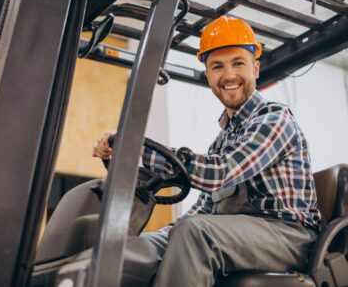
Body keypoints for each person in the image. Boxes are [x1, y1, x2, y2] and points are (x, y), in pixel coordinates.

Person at [92, 16, 321, 287]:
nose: (229, 75)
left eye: (238, 63)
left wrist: (136, 148)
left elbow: (221, 173)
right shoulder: (221, 142)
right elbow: (205, 209)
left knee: (194, 233)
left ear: (255, 68)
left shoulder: (274, 118)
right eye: (217, 67)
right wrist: (153, 239)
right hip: (236, 234)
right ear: (209, 75)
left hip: (288, 236)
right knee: (137, 249)